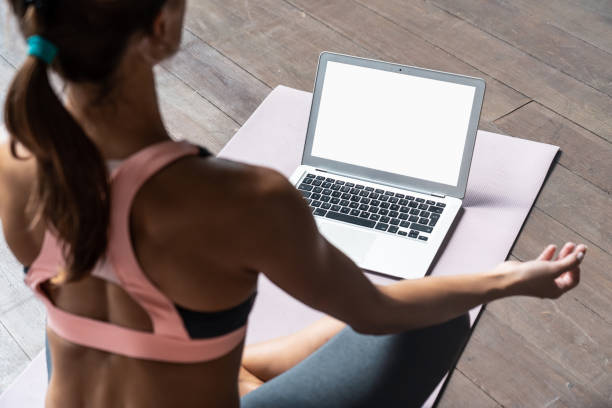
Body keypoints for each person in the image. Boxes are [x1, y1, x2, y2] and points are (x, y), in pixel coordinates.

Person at [0, 1, 586, 407]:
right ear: (160, 27)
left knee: (151, 326)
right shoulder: (240, 199)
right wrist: (507, 280)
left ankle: (222, 361)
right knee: (431, 319)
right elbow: (376, 313)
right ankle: (226, 366)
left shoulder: (12, 161)